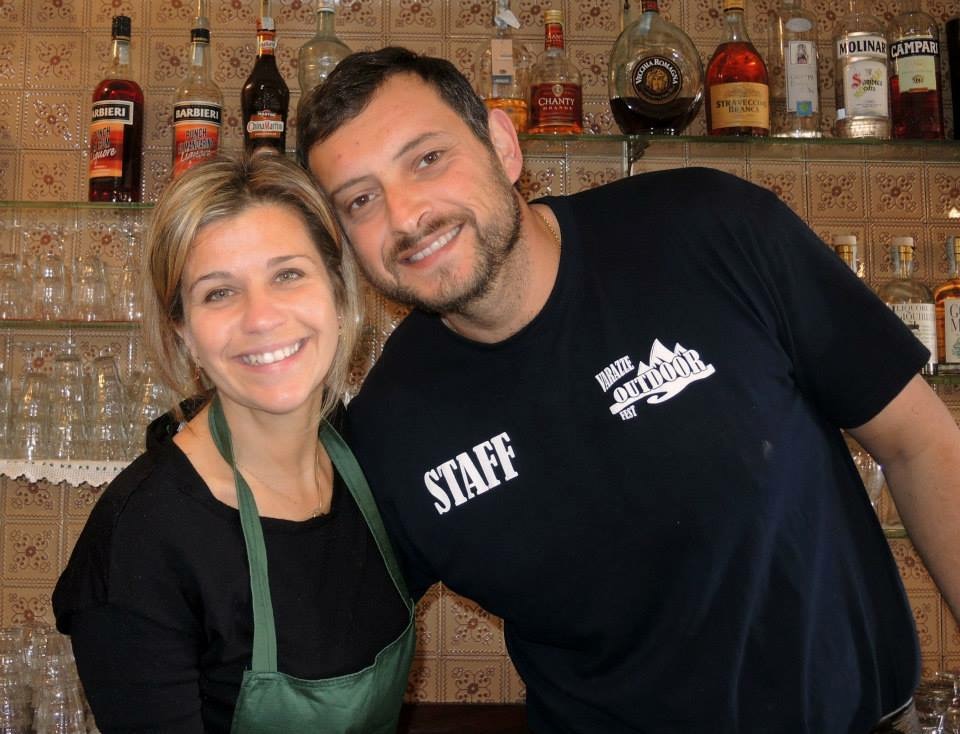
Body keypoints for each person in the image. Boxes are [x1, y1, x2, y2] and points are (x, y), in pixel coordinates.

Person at [296, 47, 960, 733]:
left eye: (427, 158)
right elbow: (315, 644)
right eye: (361, 200)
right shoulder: (387, 430)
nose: (405, 217)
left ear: (501, 144)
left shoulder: (714, 228)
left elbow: (922, 445)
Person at [52, 152, 415, 733]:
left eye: (288, 274)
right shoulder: (144, 536)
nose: (262, 318)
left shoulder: (368, 459)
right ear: (184, 331)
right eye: (219, 293)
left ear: (337, 292)